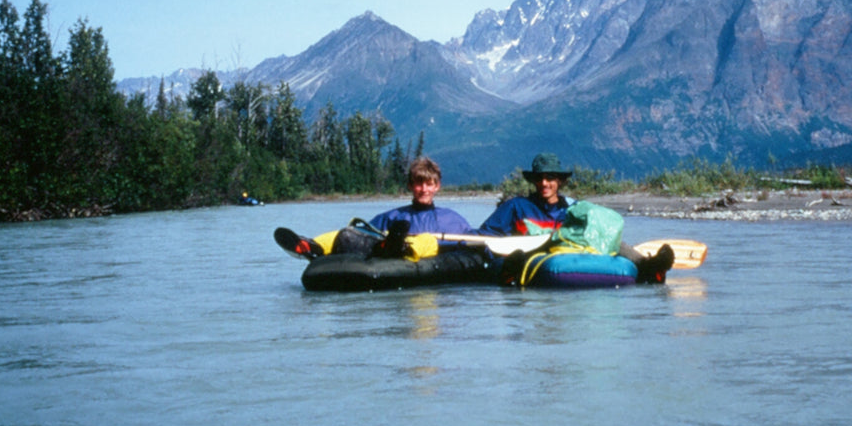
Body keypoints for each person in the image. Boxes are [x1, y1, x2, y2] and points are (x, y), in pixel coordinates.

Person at [480, 152, 675, 284]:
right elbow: (485, 234)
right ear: (533, 181)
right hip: (532, 254)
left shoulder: (573, 208)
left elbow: (594, 234)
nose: (544, 183)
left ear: (560, 181)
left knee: (614, 241)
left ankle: (649, 267)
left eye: (550, 178)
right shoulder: (516, 206)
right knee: (512, 259)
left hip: (567, 251)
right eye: (539, 178)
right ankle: (509, 272)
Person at [275, 156, 474, 259]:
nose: (423, 189)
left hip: (423, 253)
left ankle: (401, 248)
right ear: (410, 186)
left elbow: (472, 242)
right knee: (346, 232)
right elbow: (361, 232)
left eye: (429, 184)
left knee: (427, 240)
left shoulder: (452, 219)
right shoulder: (393, 216)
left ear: (437, 186)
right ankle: (311, 246)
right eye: (418, 184)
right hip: (386, 246)